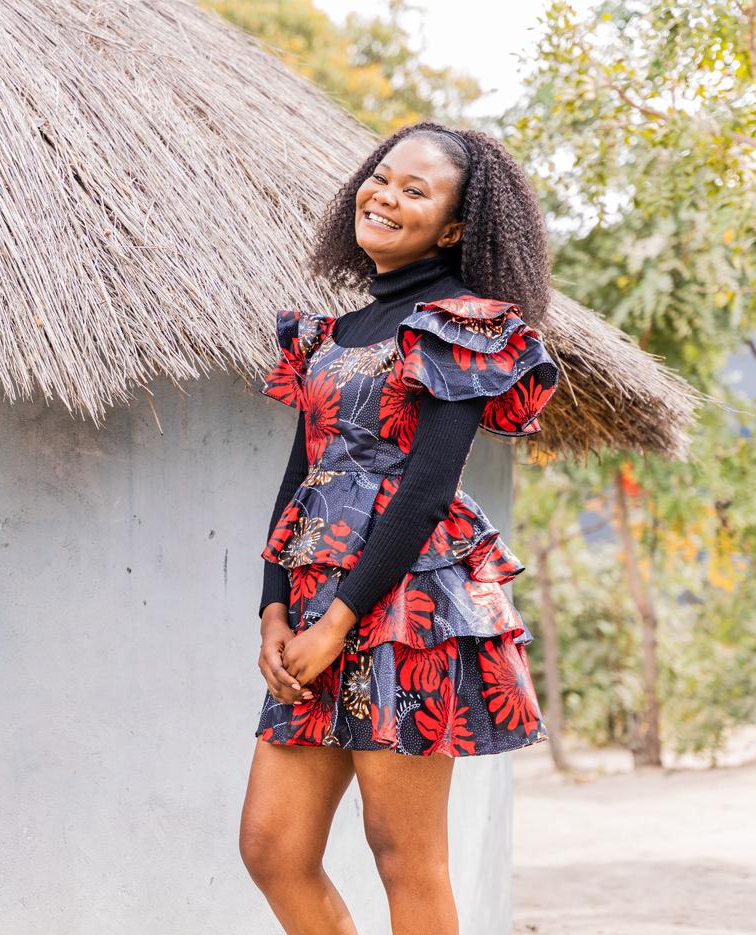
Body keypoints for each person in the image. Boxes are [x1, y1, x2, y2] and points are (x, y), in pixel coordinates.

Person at [238, 122, 562, 934]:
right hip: (312, 608)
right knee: (272, 846)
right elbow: (299, 478)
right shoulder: (332, 336)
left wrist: (338, 621)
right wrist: (275, 610)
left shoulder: (463, 323)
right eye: (382, 178)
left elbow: (425, 493)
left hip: (407, 608)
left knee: (400, 852)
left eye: (416, 191)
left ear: (454, 228)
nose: (384, 196)